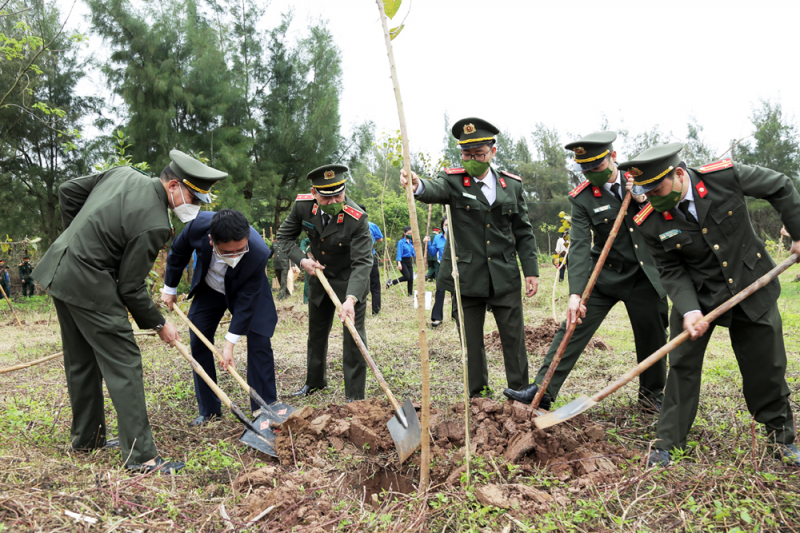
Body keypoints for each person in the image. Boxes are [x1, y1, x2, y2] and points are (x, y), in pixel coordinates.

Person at [32, 150, 227, 473]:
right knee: (124, 361)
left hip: (59, 268)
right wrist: (159, 324)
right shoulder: (154, 224)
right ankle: (141, 457)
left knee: (81, 358)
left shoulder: (124, 173)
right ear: (174, 186)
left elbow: (68, 191)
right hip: (89, 282)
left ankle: (87, 438)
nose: (195, 206)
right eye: (193, 197)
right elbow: (130, 289)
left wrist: (77, 239)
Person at [620, 142, 800, 468]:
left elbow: (781, 186)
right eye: (645, 191)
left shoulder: (724, 177)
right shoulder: (648, 220)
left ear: (678, 174)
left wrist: (799, 233)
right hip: (698, 295)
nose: (651, 197)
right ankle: (668, 443)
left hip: (750, 283)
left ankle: (781, 438)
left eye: (657, 189)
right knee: (682, 367)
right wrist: (689, 310)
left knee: (767, 367)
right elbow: (670, 269)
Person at [504, 132, 668, 413]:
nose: (591, 174)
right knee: (572, 325)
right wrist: (575, 294)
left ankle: (651, 396)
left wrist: (643, 200)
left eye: (597, 167)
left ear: (613, 158)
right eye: (585, 169)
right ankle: (542, 389)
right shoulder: (582, 197)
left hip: (645, 276)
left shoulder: (642, 178)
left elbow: (668, 216)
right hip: (604, 276)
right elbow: (579, 246)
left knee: (652, 335)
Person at [400, 117, 539, 397]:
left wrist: (531, 271)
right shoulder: (452, 180)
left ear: (493, 151)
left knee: (513, 338)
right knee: (471, 342)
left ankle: (520, 391)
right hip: (467, 277)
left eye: (479, 154)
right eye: (466, 154)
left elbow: (523, 232)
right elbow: (432, 189)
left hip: (504, 274)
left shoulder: (511, 185)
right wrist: (416, 185)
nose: (472, 159)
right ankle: (478, 395)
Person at [161, 209, 278, 426]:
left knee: (260, 340)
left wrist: (229, 343)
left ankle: (265, 409)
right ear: (211, 241)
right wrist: (170, 288)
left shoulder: (259, 252)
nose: (234, 256)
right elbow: (178, 251)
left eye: (240, 250)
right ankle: (209, 410)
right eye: (227, 252)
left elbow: (245, 304)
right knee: (198, 339)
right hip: (211, 288)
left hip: (248, 291)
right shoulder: (197, 227)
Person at [276, 164, 373, 400]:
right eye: (326, 198)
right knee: (317, 333)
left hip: (350, 282)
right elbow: (283, 238)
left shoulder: (357, 217)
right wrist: (301, 261)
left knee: (353, 338)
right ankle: (315, 382)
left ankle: (354, 395)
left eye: (338, 195)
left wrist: (351, 299)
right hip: (319, 278)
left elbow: (362, 262)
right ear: (314, 193)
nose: (333, 202)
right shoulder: (303, 207)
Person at [429, 216, 451, 328]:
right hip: (442, 266)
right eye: (445, 225)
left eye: (449, 224)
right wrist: (427, 243)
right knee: (440, 291)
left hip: (456, 266)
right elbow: (433, 253)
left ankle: (456, 315)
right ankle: (437, 317)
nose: (447, 227)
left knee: (457, 292)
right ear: (442, 226)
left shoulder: (457, 237)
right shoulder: (438, 238)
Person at [386, 226, 416, 296]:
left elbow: (414, 253)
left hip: (409, 260)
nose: (410, 234)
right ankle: (392, 282)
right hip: (402, 261)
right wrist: (399, 263)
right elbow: (399, 253)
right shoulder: (401, 242)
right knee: (407, 276)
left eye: (411, 233)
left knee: (411, 278)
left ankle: (410, 294)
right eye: (408, 233)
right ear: (404, 233)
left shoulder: (412, 242)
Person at [365, 209, 384, 315]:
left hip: (353, 258)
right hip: (370, 257)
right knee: (375, 285)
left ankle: (358, 311)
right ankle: (376, 311)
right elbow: (380, 239)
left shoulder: (349, 225)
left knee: (357, 284)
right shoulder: (371, 225)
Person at [300, 237, 311, 304]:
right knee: (308, 280)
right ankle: (306, 299)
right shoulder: (316, 236)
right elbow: (304, 241)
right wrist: (303, 250)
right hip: (311, 259)